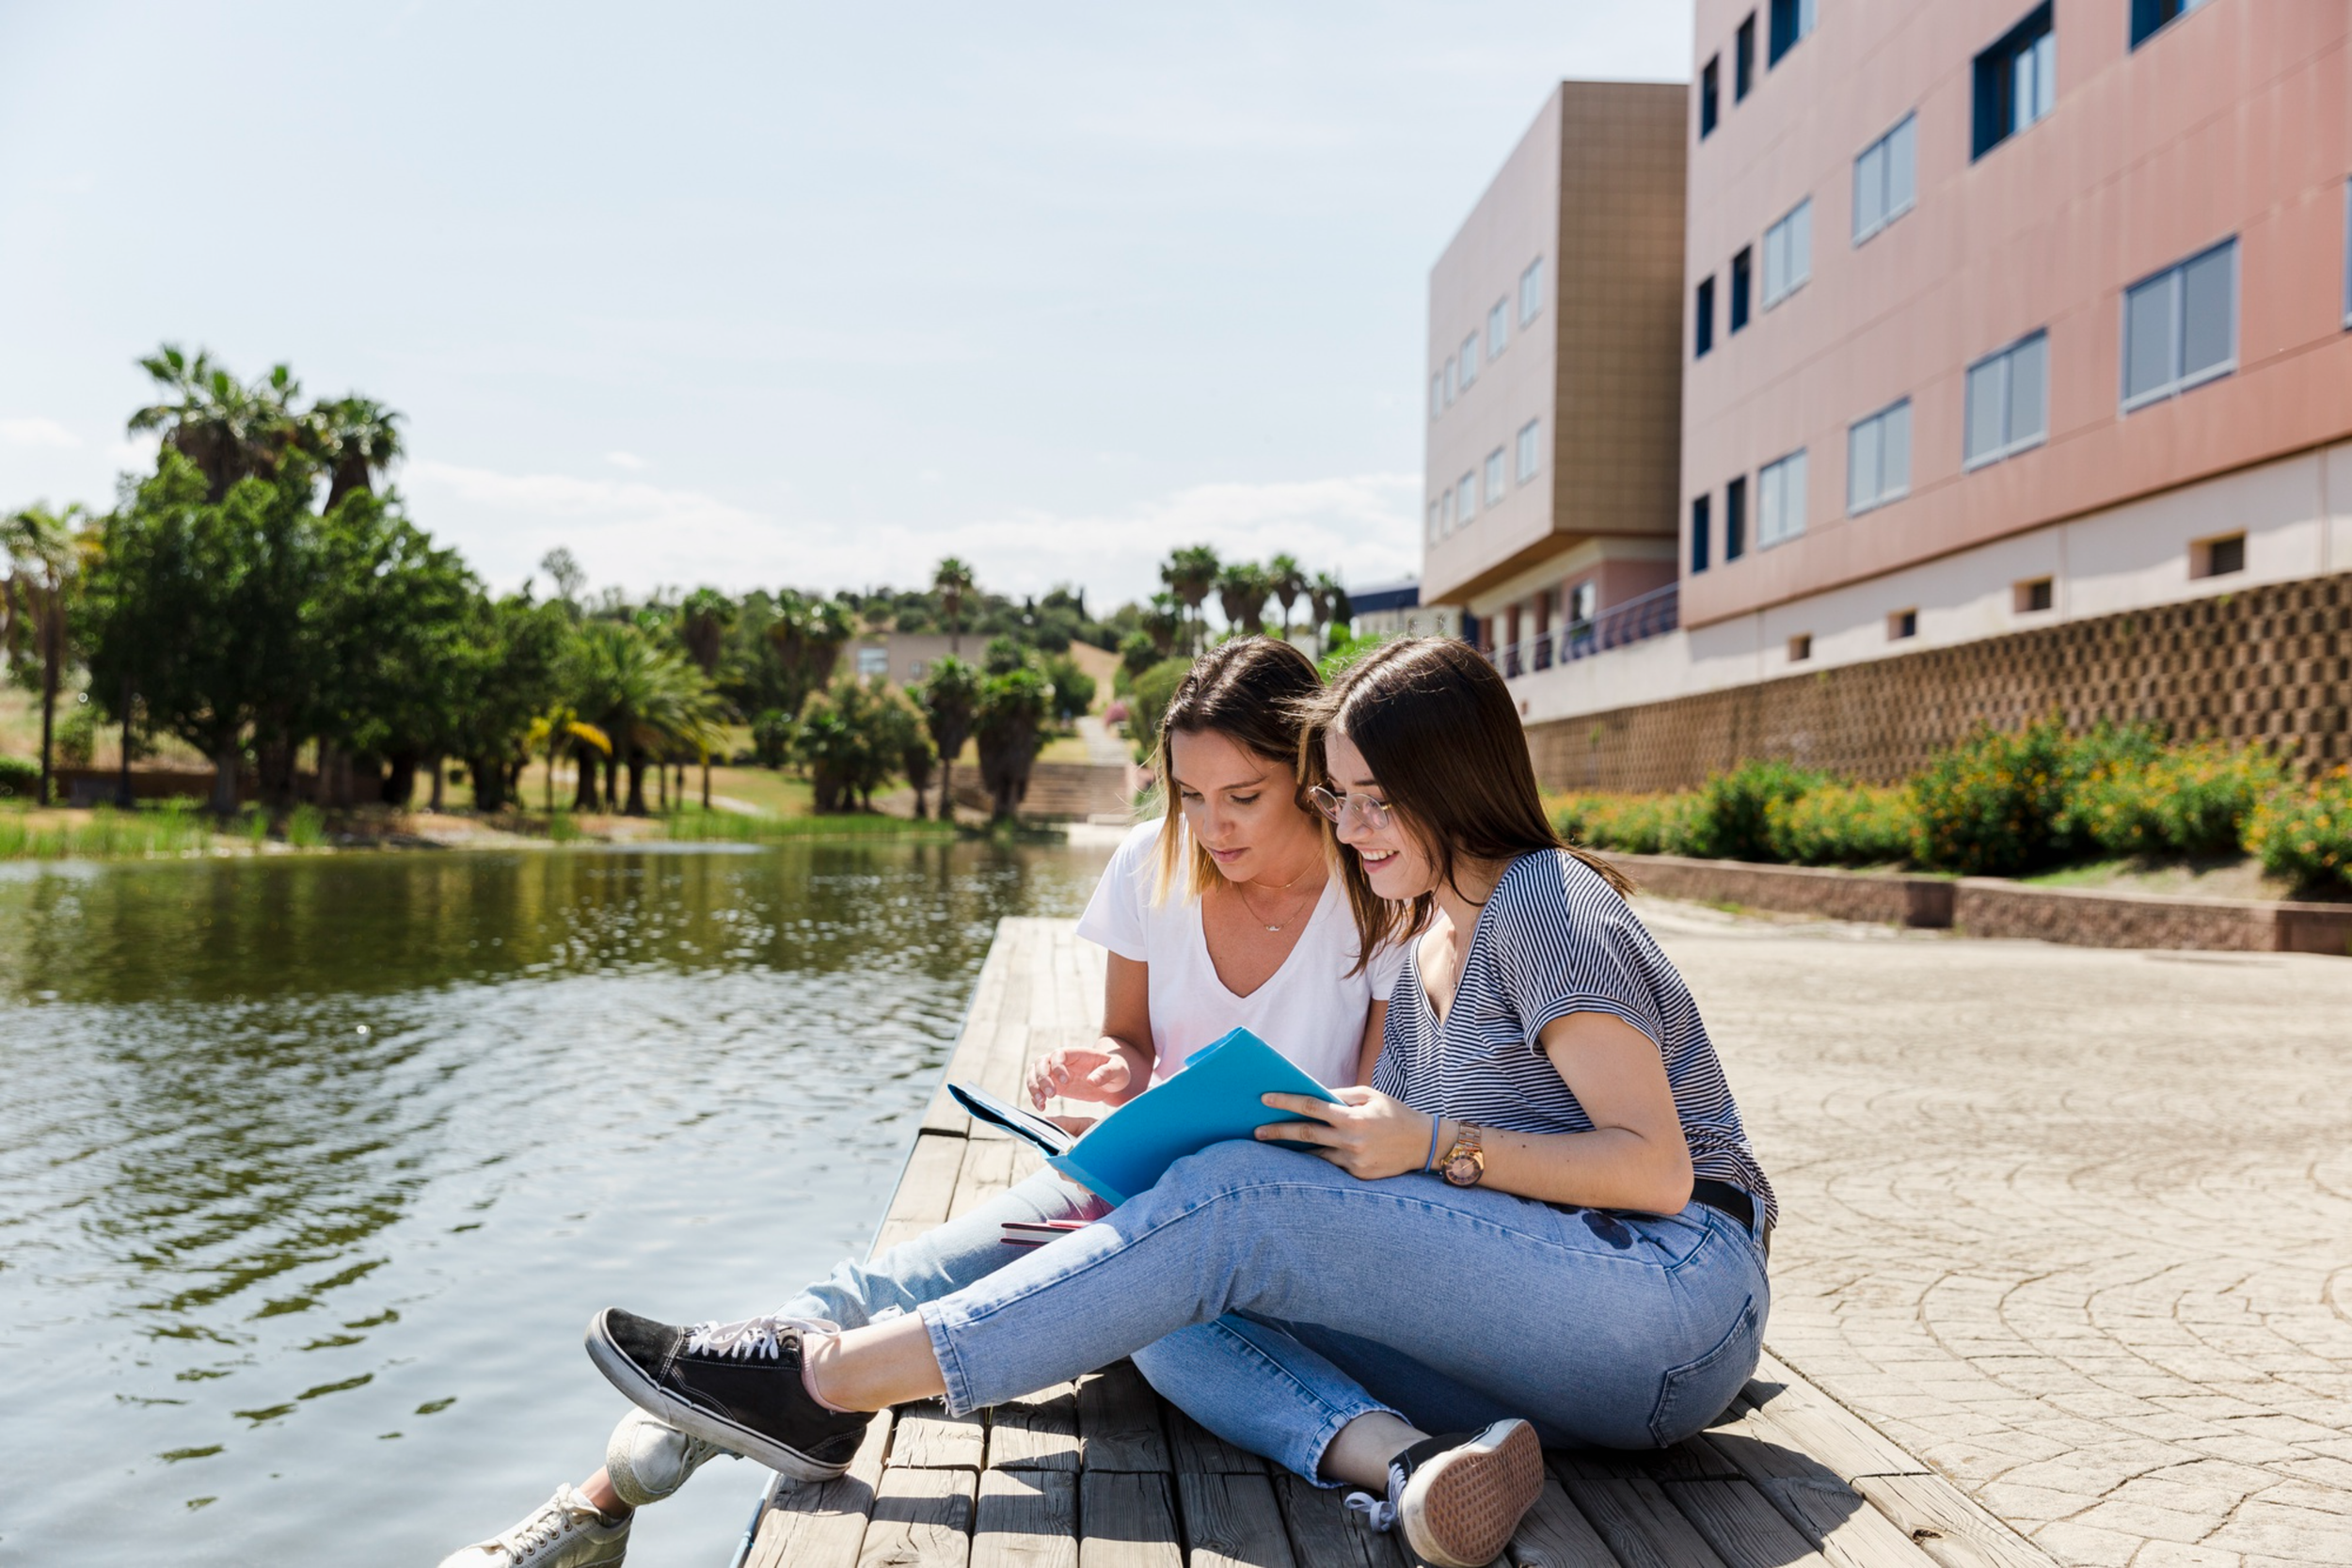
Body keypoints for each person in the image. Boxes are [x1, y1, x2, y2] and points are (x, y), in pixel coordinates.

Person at [580, 637, 1777, 1568]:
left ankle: (823, 1379)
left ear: (1450, 785)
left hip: (1668, 1297)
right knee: (1164, 1274)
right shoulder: (1421, 942)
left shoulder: (1542, 901)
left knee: (1221, 1207)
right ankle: (1409, 1470)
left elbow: (1655, 1170)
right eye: (1340, 797)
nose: (1350, 829)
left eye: (1370, 800)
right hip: (1556, 1359)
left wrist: (1419, 1140)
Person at [438, 637, 1408, 1568]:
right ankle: (596, 1495)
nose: (1212, 825)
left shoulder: (1372, 898)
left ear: (1308, 775)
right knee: (900, 1277)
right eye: (1191, 795)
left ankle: (646, 1461)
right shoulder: (1150, 865)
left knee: (1152, 1307)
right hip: (1128, 1186)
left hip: (1268, 1228)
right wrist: (1105, 1070)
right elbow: (1133, 1042)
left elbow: (1375, 1110)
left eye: (1243, 796)